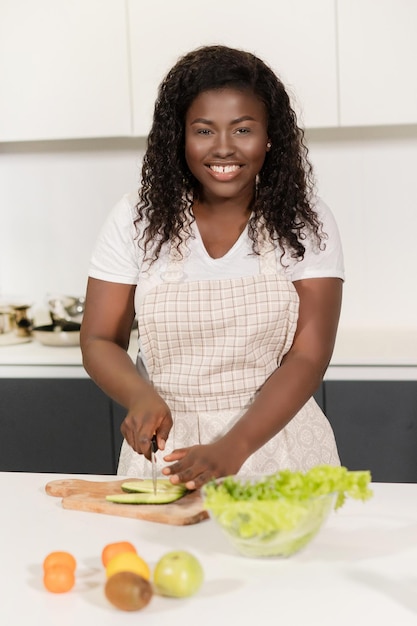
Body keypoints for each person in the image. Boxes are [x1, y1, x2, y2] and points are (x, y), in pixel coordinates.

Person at [80, 45, 345, 490]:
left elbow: (309, 355)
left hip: (278, 445)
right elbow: (99, 339)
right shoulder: (135, 219)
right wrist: (140, 396)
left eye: (243, 129)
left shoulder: (303, 220)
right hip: (166, 453)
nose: (223, 147)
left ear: (269, 137)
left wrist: (234, 447)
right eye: (204, 130)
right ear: (179, 137)